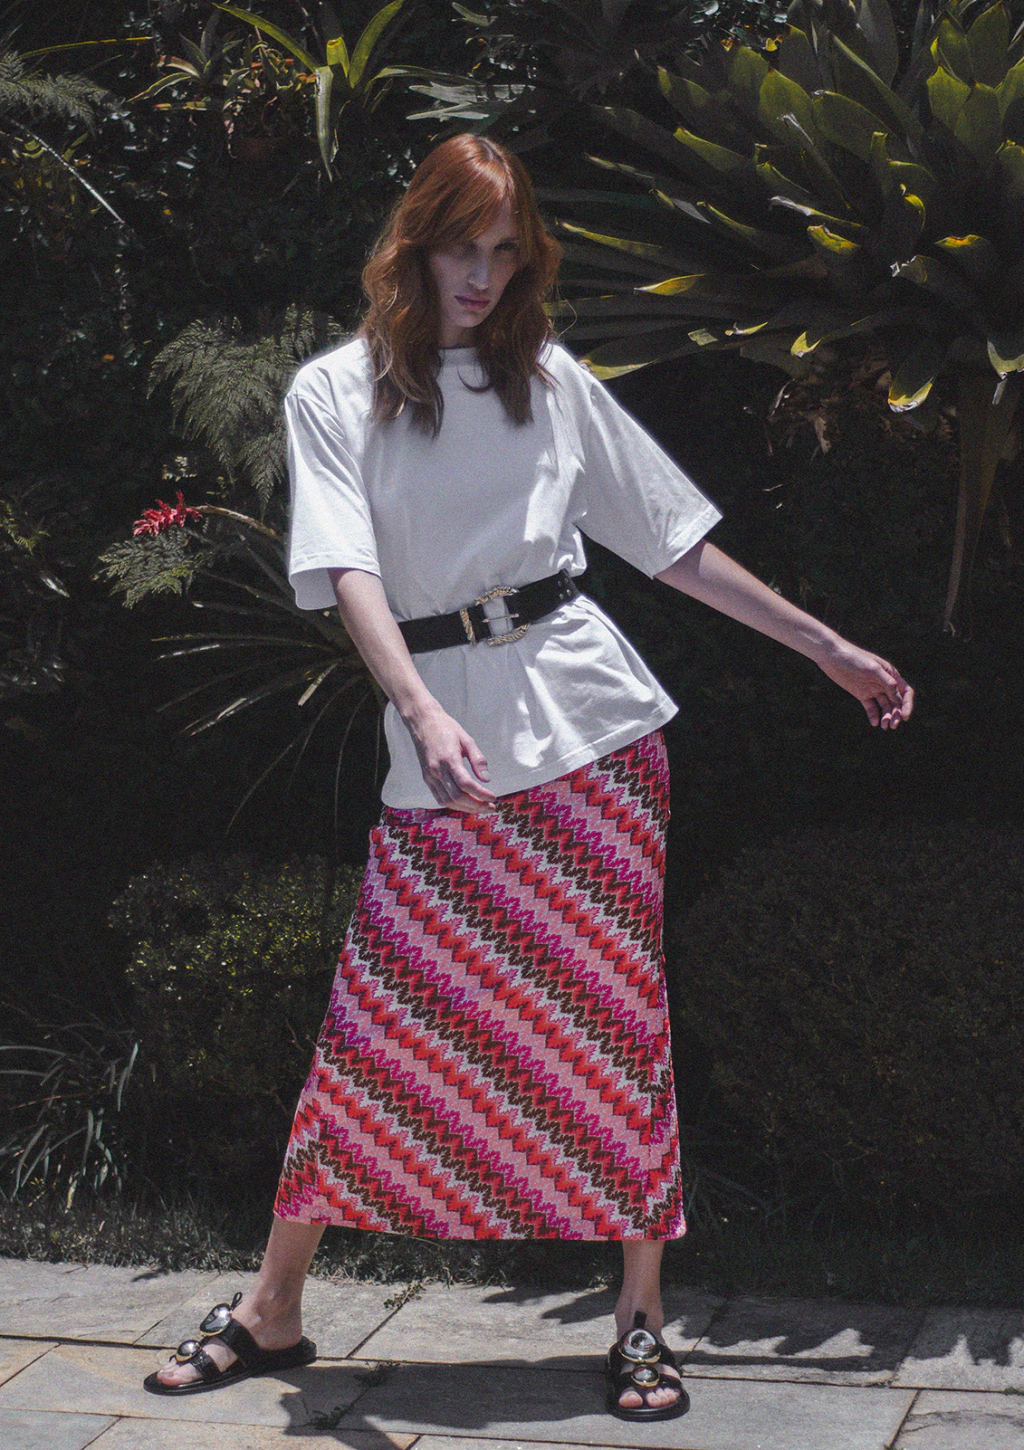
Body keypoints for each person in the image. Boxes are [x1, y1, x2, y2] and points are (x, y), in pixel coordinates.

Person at [144, 134, 912, 1417]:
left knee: (616, 1025)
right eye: (464, 246)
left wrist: (825, 648)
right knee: (380, 1024)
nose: (483, 276)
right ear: (413, 243)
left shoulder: (549, 380)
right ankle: (273, 1308)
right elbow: (347, 568)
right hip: (441, 747)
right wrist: (420, 707)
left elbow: (670, 543)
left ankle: (639, 1319)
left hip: (595, 733)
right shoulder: (334, 391)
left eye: (507, 252)